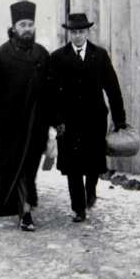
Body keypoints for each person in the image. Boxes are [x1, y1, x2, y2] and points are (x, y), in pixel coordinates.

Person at [0, 1, 52, 231]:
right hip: (9, 126)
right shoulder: (1, 56)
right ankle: (25, 212)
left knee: (29, 169)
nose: (27, 29)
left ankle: (24, 208)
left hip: (36, 124)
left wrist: (55, 120)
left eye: (30, 24)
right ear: (14, 27)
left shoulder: (42, 55)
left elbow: (51, 89)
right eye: (22, 25)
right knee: (14, 168)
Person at [50, 13, 126, 222]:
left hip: (94, 118)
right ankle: (78, 208)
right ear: (69, 33)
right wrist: (56, 119)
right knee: (72, 165)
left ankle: (91, 187)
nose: (77, 36)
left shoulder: (99, 55)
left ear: (87, 32)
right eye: (73, 32)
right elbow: (51, 92)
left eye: (81, 32)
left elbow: (112, 87)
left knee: (93, 161)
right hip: (69, 121)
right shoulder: (57, 57)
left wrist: (119, 119)